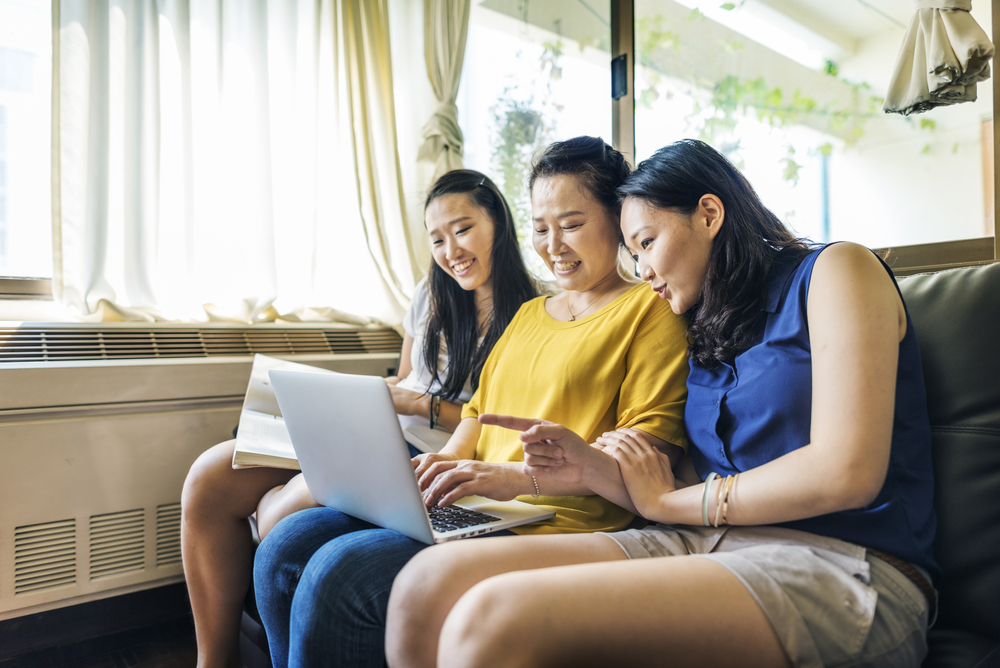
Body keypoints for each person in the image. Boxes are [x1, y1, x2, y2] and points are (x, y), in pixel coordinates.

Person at [385, 139, 938, 668]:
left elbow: (846, 473)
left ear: (709, 214)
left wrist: (672, 504)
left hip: (841, 561)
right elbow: (681, 476)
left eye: (647, 243)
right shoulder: (705, 324)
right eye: (633, 252)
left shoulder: (839, 271)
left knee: (493, 622)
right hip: (703, 541)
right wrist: (589, 467)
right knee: (424, 587)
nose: (642, 270)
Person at [252, 136, 691, 668]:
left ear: (617, 218)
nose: (553, 245)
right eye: (541, 228)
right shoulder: (529, 315)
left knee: (339, 575)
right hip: (473, 503)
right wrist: (444, 464)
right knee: (284, 547)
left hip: (554, 521)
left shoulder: (649, 310)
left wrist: (509, 478)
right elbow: (479, 414)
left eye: (571, 224)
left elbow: (647, 462)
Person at [180, 169, 536, 668]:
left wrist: (417, 404)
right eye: (437, 239)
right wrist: (361, 400)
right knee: (210, 476)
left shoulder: (531, 311)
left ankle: (286, 501)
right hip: (385, 428)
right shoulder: (430, 293)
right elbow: (405, 376)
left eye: (462, 229)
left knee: (280, 515)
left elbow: (495, 417)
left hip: (432, 448)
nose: (451, 250)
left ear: (498, 223)